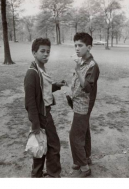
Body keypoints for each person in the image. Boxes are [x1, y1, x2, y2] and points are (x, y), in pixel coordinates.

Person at [24, 38, 67, 178]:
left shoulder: (41, 69)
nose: (46, 54)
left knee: (41, 145)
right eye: (42, 51)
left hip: (44, 113)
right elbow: (30, 102)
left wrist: (57, 85)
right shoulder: (32, 73)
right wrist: (36, 124)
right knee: (53, 145)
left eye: (48, 52)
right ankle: (54, 174)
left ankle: (36, 174)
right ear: (34, 52)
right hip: (42, 116)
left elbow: (43, 91)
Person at [69, 32, 100, 178]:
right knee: (84, 132)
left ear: (88, 47)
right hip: (78, 103)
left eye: (80, 45)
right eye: (75, 45)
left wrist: (77, 70)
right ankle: (85, 158)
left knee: (75, 135)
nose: (76, 48)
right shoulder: (82, 61)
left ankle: (84, 167)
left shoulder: (93, 65)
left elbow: (87, 88)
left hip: (84, 104)